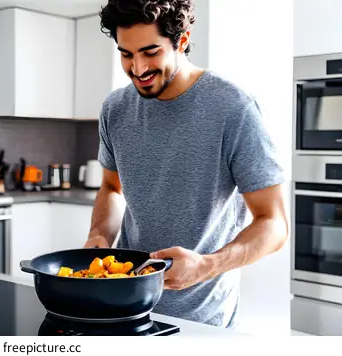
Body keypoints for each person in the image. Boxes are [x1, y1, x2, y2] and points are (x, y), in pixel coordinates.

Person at [83, 0, 289, 329]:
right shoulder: (115, 109)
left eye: (150, 52)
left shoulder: (233, 108)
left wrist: (207, 265)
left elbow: (275, 224)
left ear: (181, 40)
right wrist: (99, 236)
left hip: (202, 318)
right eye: (126, 54)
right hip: (123, 304)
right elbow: (111, 187)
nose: (138, 68)